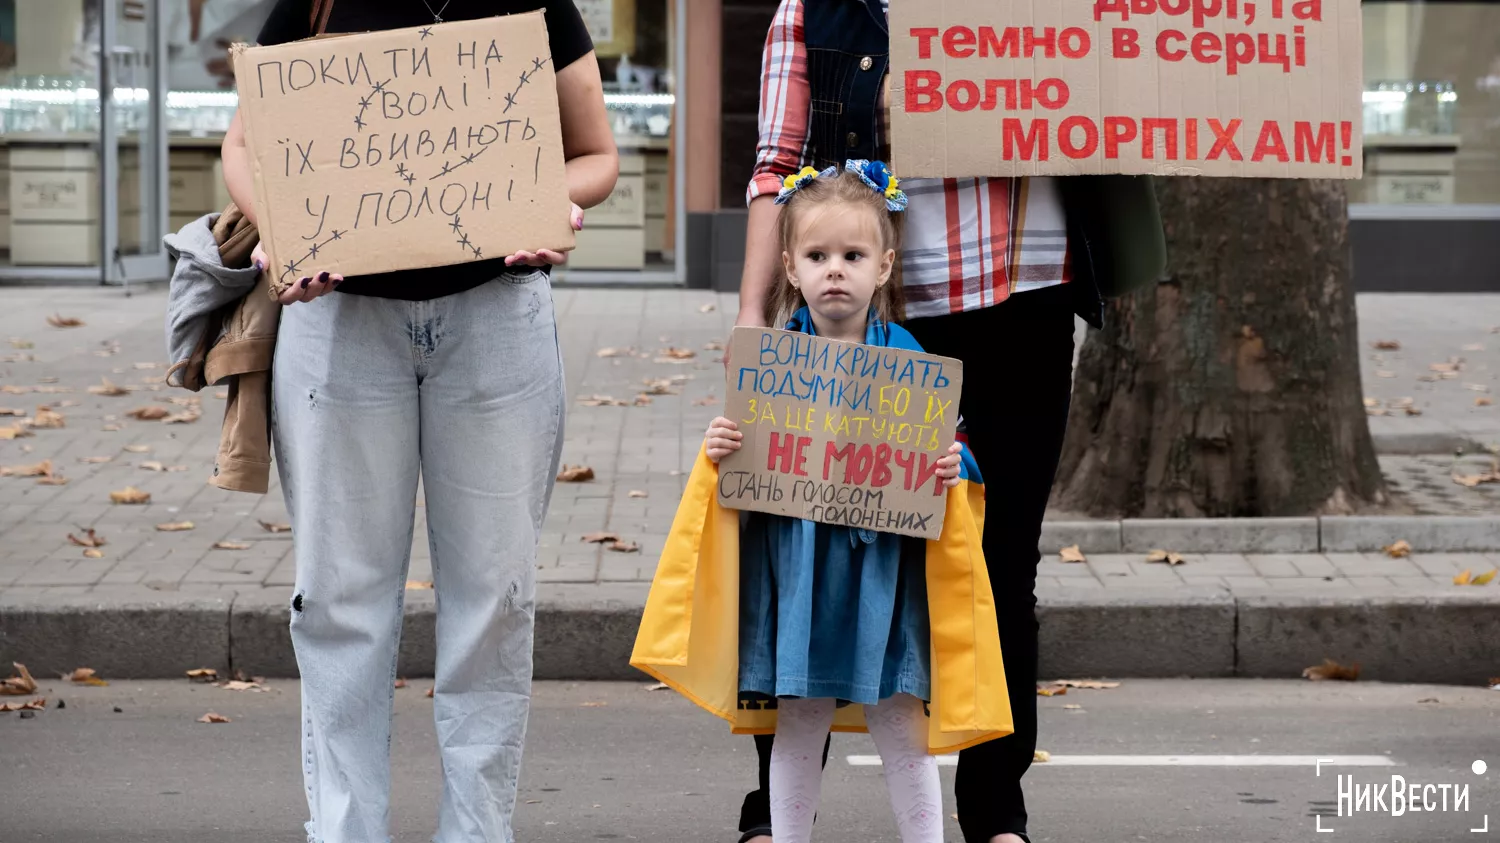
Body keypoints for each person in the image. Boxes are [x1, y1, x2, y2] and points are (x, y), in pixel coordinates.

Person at [733, 3, 1167, 843]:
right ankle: (775, 813)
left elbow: (1116, 95)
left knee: (999, 563)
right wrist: (754, 310)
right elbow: (776, 164)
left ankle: (995, 811)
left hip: (1026, 294)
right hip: (870, 316)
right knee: (813, 558)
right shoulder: (814, 8)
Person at [218, 2, 618, 842]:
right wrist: (287, 230)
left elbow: (595, 157)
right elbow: (245, 144)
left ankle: (476, 832)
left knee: (494, 597)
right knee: (338, 598)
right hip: (342, 328)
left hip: (494, 322)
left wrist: (545, 206)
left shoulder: (536, 4)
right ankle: (345, 829)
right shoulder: (320, 1)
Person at [632, 161, 1013, 843]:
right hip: (801, 577)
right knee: (800, 717)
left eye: (852, 255)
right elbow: (739, 474)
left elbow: (952, 453)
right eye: (817, 255)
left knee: (902, 719)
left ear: (885, 265)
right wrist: (721, 446)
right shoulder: (772, 362)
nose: (835, 270)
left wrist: (955, 462)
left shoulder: (913, 361)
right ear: (789, 266)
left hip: (886, 581)